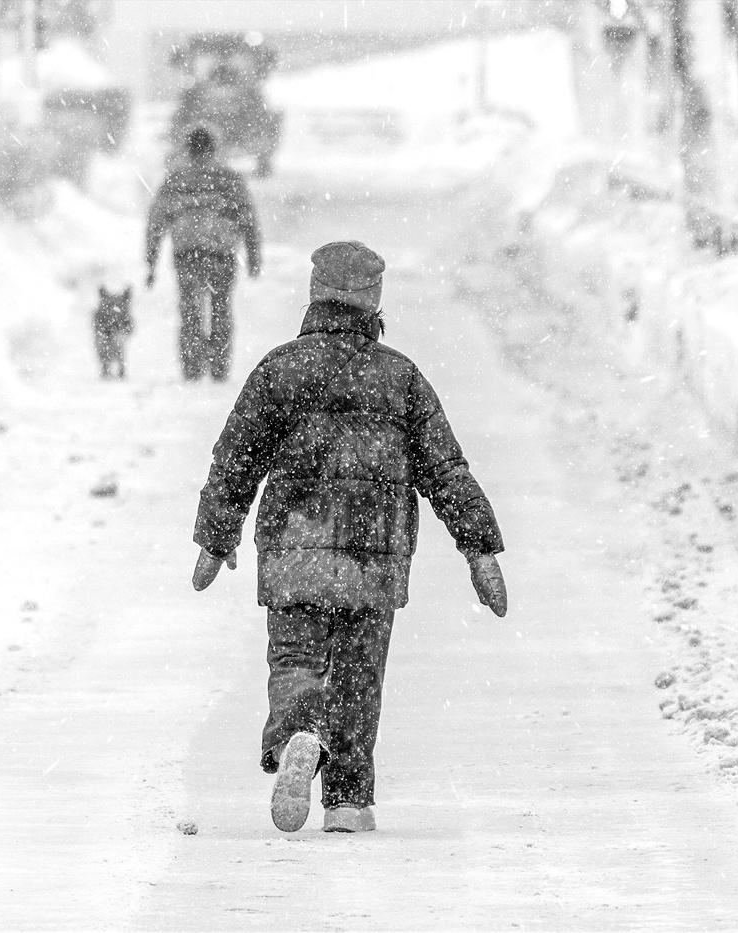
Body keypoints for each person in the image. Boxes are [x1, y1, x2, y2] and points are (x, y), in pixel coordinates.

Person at [190, 240, 508, 834]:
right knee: (359, 674)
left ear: (316, 297)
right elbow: (445, 468)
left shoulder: (280, 369)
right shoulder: (400, 377)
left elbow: (235, 458)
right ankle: (348, 799)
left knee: (295, 658)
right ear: (372, 303)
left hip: (293, 547)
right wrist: (479, 547)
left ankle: (299, 732)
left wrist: (216, 535)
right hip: (374, 552)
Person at [144, 125, 262, 382]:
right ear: (213, 147)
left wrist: (151, 261)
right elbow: (248, 218)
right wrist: (253, 255)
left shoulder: (176, 180)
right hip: (222, 254)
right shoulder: (229, 179)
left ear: (188, 148)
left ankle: (192, 366)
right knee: (221, 308)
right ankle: (219, 366)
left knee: (190, 310)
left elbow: (157, 221)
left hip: (187, 255)